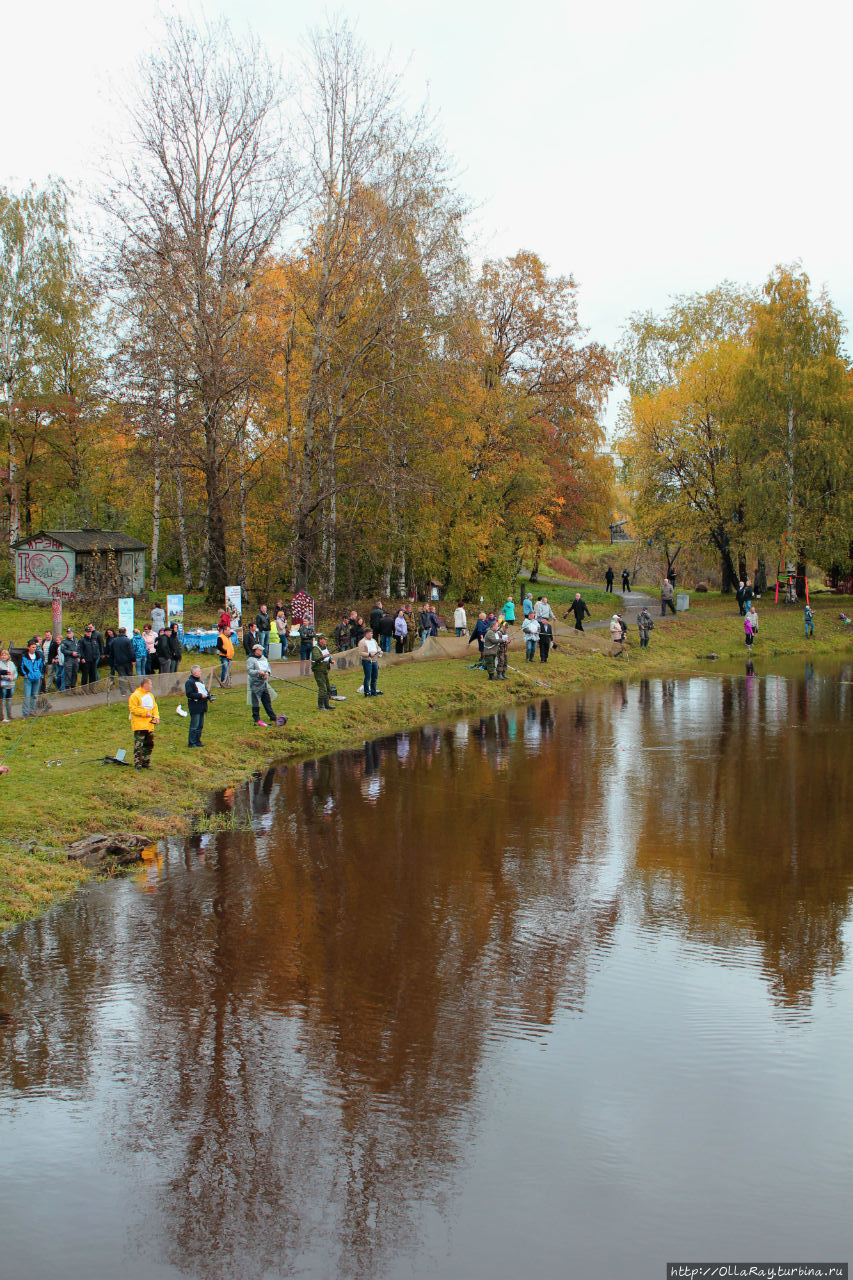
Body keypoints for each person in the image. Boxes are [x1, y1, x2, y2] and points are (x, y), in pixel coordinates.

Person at [128, 677, 160, 769]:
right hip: (139, 725)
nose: (151, 686)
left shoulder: (151, 695)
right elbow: (133, 709)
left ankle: (146, 763)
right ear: (145, 684)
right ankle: (138, 764)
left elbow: (154, 708)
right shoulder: (135, 695)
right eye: (150, 684)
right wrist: (144, 713)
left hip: (149, 725)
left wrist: (156, 717)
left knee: (149, 744)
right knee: (139, 745)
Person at [246, 642, 275, 726]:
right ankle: (256, 717)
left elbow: (268, 668)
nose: (261, 651)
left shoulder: (263, 658)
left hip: (264, 683)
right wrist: (258, 672)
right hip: (255, 683)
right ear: (256, 650)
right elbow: (249, 671)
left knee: (267, 700)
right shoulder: (250, 659)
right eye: (260, 650)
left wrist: (267, 673)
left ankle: (272, 716)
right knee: (255, 701)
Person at [184, 664, 211, 747]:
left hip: (202, 705)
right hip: (195, 706)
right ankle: (191, 742)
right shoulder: (189, 682)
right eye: (199, 671)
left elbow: (205, 691)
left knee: (200, 725)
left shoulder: (200, 682)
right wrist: (200, 696)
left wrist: (209, 697)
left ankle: (197, 740)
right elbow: (189, 694)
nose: (201, 672)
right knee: (194, 725)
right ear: (195, 673)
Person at [311, 632, 335, 711]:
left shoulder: (325, 647)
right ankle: (320, 706)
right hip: (318, 671)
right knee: (323, 688)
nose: (325, 641)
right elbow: (316, 658)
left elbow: (328, 656)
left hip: (325, 670)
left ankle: (327, 704)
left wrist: (331, 660)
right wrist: (323, 656)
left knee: (328, 687)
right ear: (320, 640)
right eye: (324, 639)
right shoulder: (316, 648)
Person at [358, 627, 381, 697]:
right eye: (371, 633)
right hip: (367, 661)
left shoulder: (373, 640)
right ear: (366, 634)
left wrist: (380, 650)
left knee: (375, 677)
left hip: (374, 661)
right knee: (368, 677)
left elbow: (378, 647)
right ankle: (367, 692)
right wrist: (368, 654)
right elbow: (360, 652)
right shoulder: (362, 642)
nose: (372, 635)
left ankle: (373, 691)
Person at [111, 627, 135, 692]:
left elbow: (112, 652)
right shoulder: (128, 640)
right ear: (125, 632)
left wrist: (113, 660)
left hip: (118, 661)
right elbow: (131, 651)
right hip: (127, 661)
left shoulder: (114, 640)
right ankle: (132, 690)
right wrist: (133, 660)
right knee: (130, 675)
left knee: (121, 676)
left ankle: (123, 691)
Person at [80, 625, 103, 689]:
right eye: (87, 632)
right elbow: (80, 650)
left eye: (89, 632)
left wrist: (96, 656)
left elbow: (96, 649)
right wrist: (82, 658)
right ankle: (84, 689)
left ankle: (92, 688)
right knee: (85, 675)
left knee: (92, 675)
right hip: (86, 660)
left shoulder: (94, 640)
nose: (88, 633)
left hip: (93, 660)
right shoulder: (82, 640)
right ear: (85, 632)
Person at [483, 616, 502, 680]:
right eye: (497, 626)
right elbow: (494, 641)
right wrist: (501, 640)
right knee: (490, 664)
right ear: (493, 626)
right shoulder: (490, 632)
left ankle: (492, 675)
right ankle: (491, 676)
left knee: (493, 663)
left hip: (493, 651)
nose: (497, 627)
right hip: (489, 652)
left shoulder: (494, 632)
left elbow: (497, 640)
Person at [0, 648, 16, 720]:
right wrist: (7, 677)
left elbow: (15, 672)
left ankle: (9, 715)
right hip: (3, 684)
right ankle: (3, 716)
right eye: (2, 655)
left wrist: (13, 678)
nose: (4, 656)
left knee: (9, 700)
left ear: (8, 656)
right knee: (2, 700)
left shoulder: (11, 663)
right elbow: (1, 673)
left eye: (5, 655)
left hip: (11, 684)